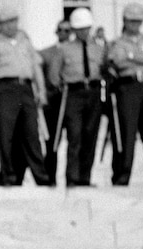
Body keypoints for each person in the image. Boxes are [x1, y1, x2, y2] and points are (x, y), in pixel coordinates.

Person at [0, 6, 51, 186]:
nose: (11, 26)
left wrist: (41, 91)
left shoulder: (25, 41)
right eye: (6, 23)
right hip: (5, 88)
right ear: (0, 25)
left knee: (31, 133)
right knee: (5, 134)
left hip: (26, 88)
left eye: (13, 21)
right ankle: (8, 175)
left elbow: (36, 68)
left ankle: (40, 176)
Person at [107, 2, 143, 186]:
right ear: (125, 21)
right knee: (127, 133)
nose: (135, 25)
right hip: (128, 88)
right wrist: (141, 58)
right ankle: (122, 176)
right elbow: (118, 61)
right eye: (132, 21)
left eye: (138, 21)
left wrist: (131, 56)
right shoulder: (117, 42)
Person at [47, 8, 105, 187]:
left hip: (93, 92)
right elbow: (53, 75)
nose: (83, 32)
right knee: (75, 135)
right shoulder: (64, 49)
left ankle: (84, 178)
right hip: (73, 93)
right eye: (79, 28)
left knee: (90, 135)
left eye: (86, 28)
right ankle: (72, 178)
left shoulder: (99, 47)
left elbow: (104, 68)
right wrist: (63, 85)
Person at [39, 20, 71, 185]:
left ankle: (74, 178)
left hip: (72, 98)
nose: (64, 33)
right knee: (52, 141)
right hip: (54, 100)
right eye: (61, 30)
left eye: (68, 30)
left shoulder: (78, 51)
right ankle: (50, 177)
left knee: (75, 139)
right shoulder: (47, 53)